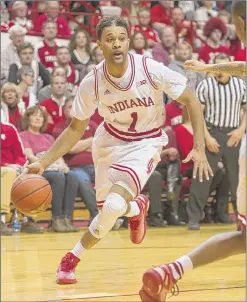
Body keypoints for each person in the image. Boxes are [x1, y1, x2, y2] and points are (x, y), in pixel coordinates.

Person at [22, 16, 212, 285]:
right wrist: (44, 161)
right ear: (99, 44)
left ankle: (72, 258)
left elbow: (191, 100)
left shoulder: (150, 69)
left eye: (122, 38)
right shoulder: (93, 82)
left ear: (128, 39)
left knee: (111, 207)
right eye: (110, 39)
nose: (117, 44)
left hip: (145, 143)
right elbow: (75, 129)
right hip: (109, 143)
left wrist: (199, 148)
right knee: (113, 209)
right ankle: (136, 208)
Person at [139, 2, 246, 300]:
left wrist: (208, 67)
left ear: (237, 23)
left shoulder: (237, 75)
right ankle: (193, 220)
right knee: (205, 179)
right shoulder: (210, 85)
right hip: (218, 134)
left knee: (244, 237)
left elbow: (241, 69)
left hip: (242, 142)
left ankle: (172, 270)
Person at [186, 53, 246, 230]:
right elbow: (198, 115)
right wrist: (207, 137)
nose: (220, 71)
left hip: (233, 135)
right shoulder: (205, 85)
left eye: (224, 67)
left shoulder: (240, 86)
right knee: (202, 176)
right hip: (213, 133)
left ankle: (241, 220)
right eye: (217, 67)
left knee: (238, 180)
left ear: (231, 68)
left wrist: (241, 130)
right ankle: (194, 218)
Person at [20, 105, 79, 232]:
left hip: (54, 167)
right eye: (34, 115)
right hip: (37, 170)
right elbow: (30, 157)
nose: (38, 118)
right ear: (28, 118)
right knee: (57, 176)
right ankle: (56, 219)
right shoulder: (24, 135)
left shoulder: (49, 137)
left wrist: (63, 166)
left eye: (41, 116)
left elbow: (59, 156)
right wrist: (48, 165)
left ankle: (66, 218)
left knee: (73, 176)